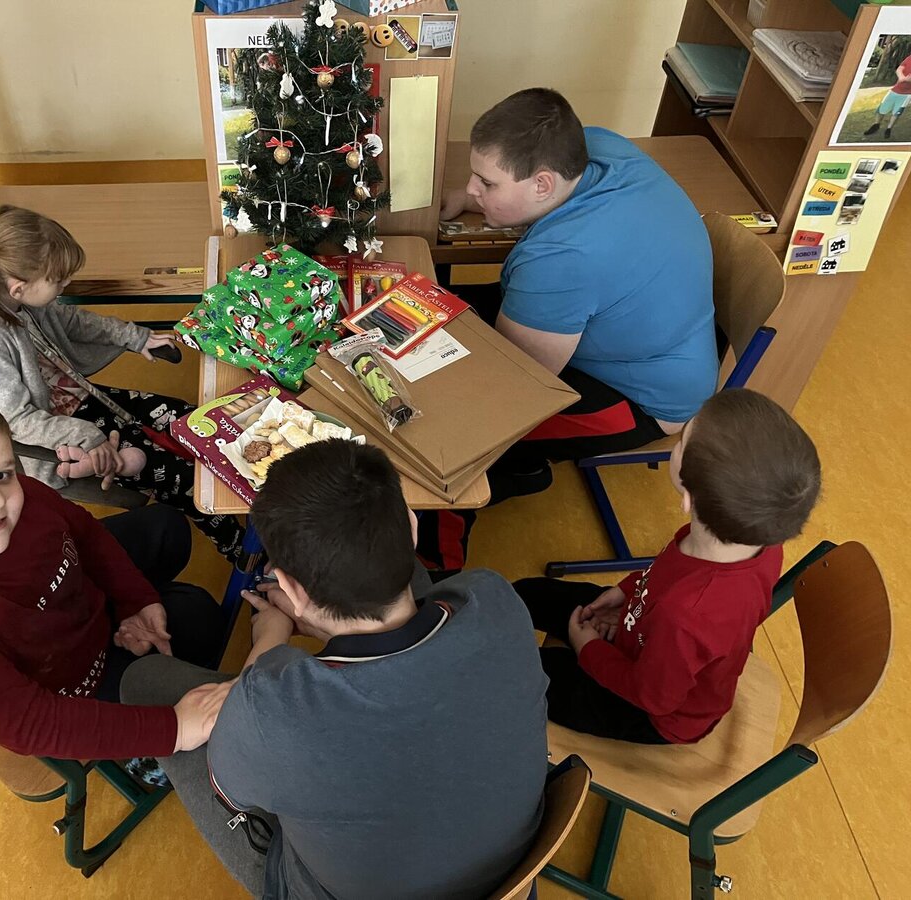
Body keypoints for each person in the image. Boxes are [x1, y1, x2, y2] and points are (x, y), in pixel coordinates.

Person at [120, 440, 549, 899]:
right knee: (418, 585)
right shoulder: (493, 596)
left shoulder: (273, 707)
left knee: (143, 681)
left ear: (289, 587)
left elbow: (232, 781)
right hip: (508, 878)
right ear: (411, 525)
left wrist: (269, 641)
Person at [420, 88, 719, 572]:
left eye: (486, 183)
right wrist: (469, 200)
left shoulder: (561, 261)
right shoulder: (596, 146)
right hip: (642, 331)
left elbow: (517, 388)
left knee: (449, 437)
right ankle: (524, 470)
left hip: (639, 397)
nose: (473, 189)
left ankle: (436, 567)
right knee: (435, 313)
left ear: (542, 184)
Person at [0, 386, 231, 762]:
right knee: (197, 620)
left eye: (3, 474)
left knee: (169, 531)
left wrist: (135, 600)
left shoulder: (17, 498)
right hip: (71, 691)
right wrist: (175, 729)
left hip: (78, 609)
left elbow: (83, 533)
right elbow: (34, 723)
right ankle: (139, 757)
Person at [513, 389, 821, 744]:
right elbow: (666, 576)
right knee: (527, 595)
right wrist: (626, 592)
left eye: (683, 439)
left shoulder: (686, 616)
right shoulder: (758, 540)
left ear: (688, 496)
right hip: (646, 630)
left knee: (519, 675)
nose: (680, 436)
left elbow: (653, 697)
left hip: (652, 712)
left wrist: (590, 650)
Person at [0, 204, 244, 561]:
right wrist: (87, 437)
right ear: (19, 288)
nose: (65, 286)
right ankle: (241, 550)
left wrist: (136, 338)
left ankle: (249, 483)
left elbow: (74, 322)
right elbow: (16, 421)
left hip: (89, 399)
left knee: (194, 421)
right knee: (183, 481)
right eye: (58, 281)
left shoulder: (22, 300)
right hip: (64, 433)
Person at [863, 54, 911, 140]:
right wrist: (902, 77)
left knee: (897, 112)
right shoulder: (909, 58)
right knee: (881, 109)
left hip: (907, 94)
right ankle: (876, 125)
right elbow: (899, 69)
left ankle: (889, 129)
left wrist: (906, 80)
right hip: (895, 90)